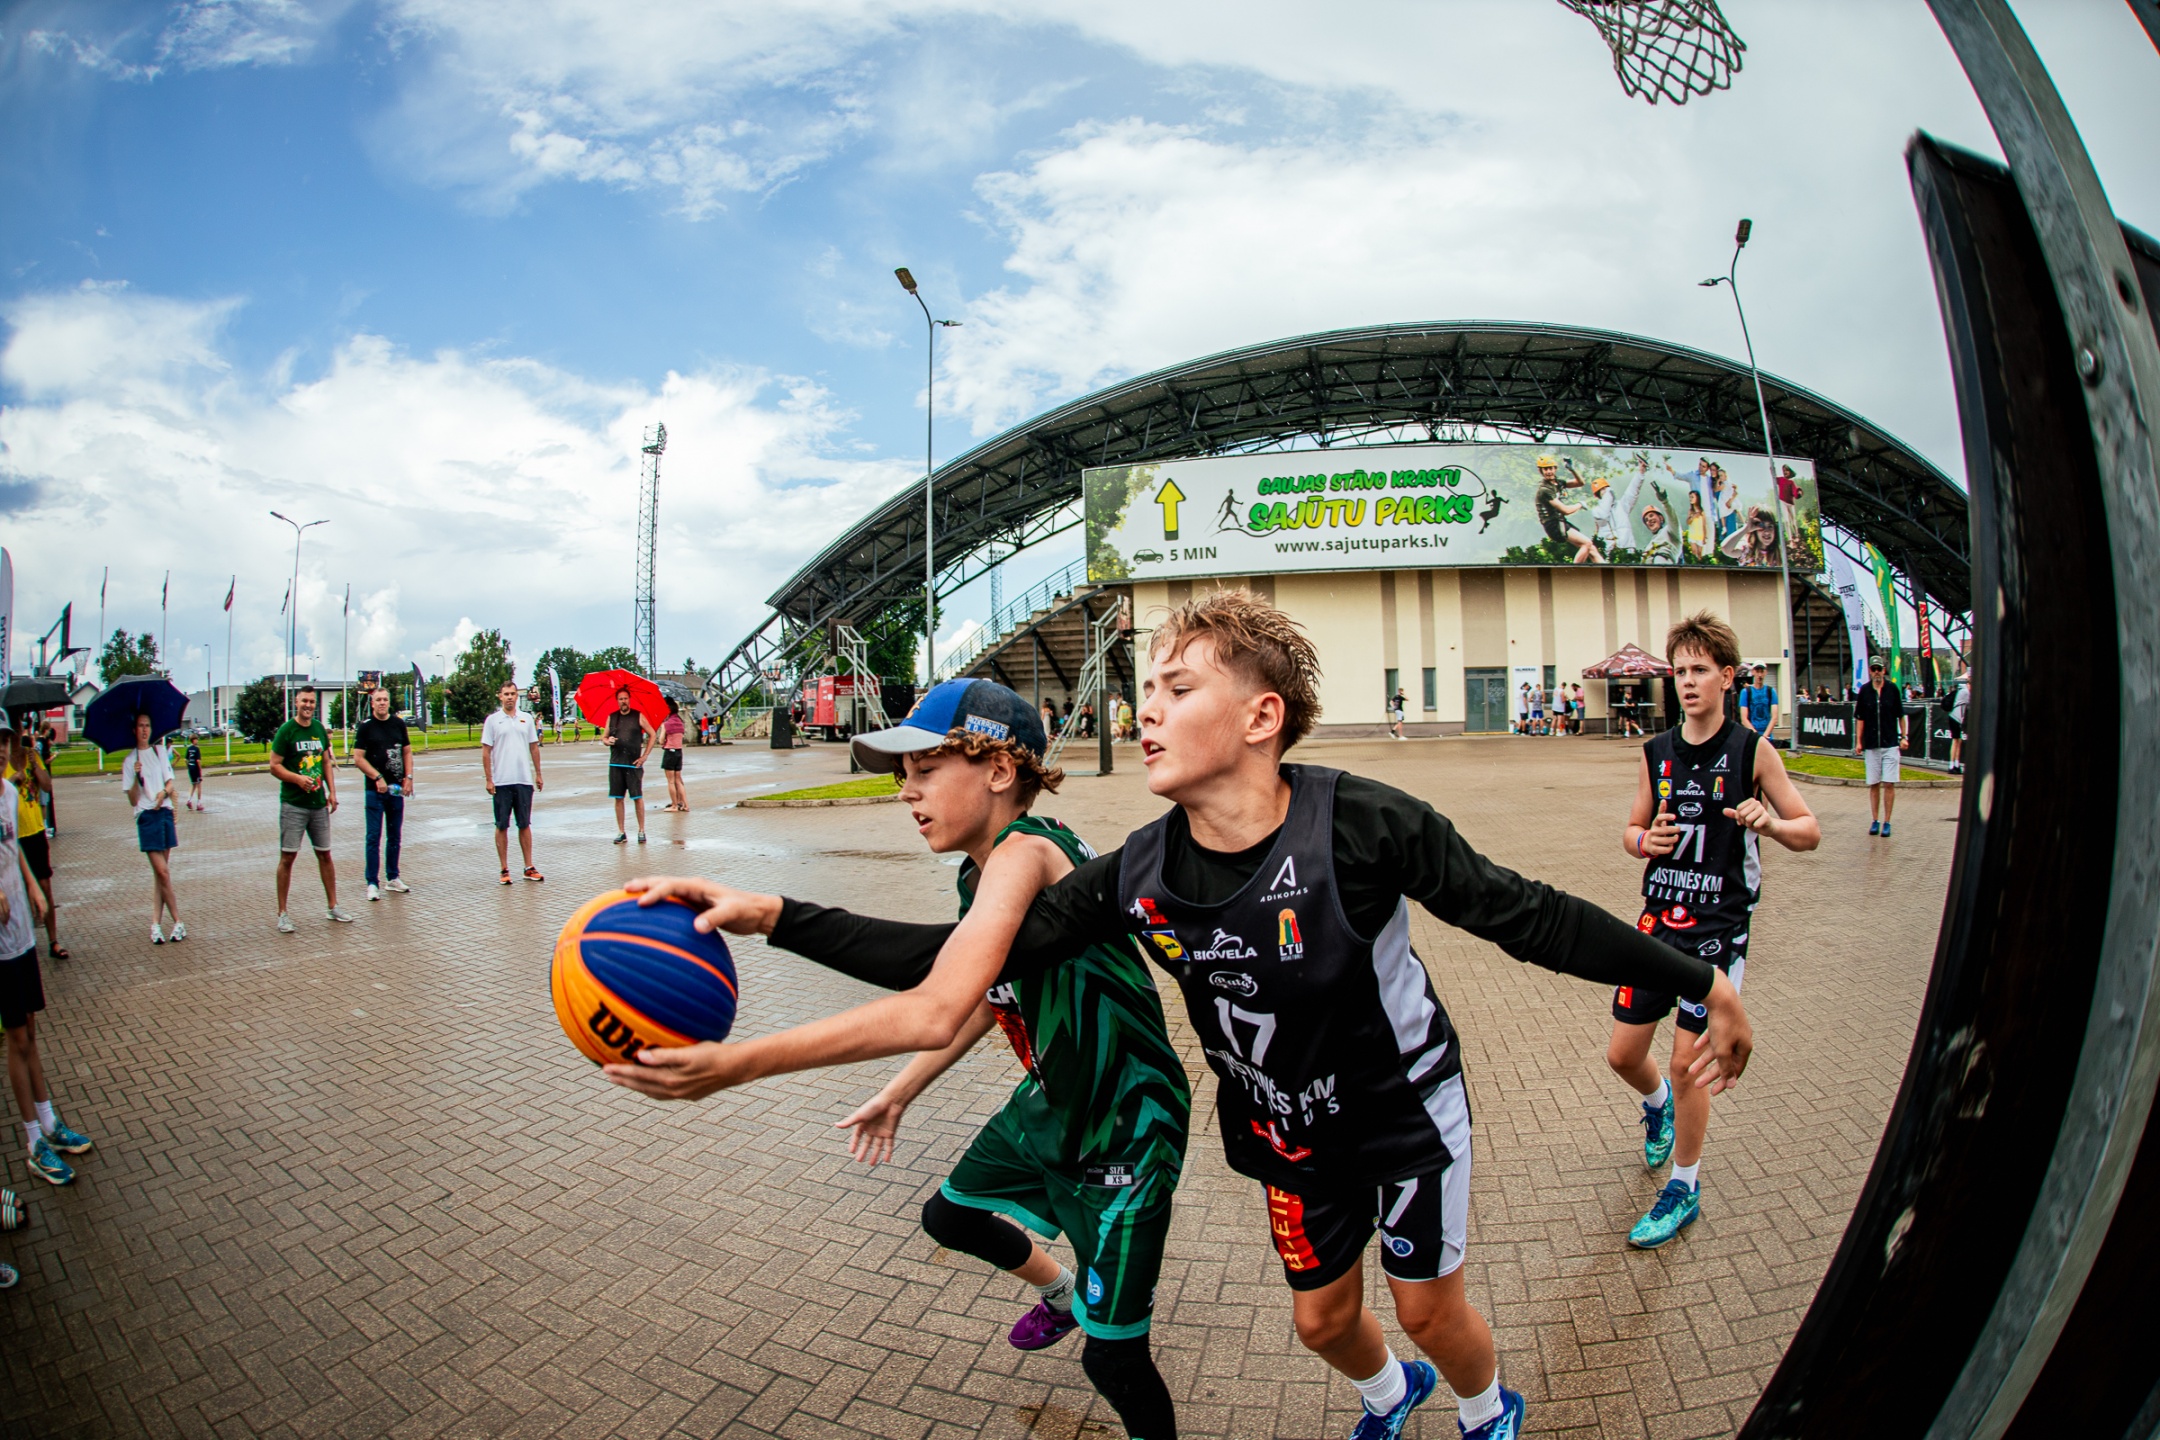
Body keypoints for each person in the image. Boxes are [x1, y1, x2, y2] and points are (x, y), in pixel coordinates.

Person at [606, 589, 1757, 1440]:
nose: (1146, 710)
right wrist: (773, 913)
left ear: (1261, 716)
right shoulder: (1138, 873)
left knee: (1424, 1306)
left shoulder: (1364, 825)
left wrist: (1703, 985)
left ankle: (1484, 1408)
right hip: (1283, 1136)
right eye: (1144, 690)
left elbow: (1532, 918)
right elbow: (945, 965)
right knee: (1322, 1326)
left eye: (1176, 689)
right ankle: (1389, 1397)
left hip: (1404, 1118)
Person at [805, 679, 1188, 1438]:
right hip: (1052, 1100)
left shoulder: (1029, 850)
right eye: (902, 776)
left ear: (1000, 771)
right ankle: (1061, 1293)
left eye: (925, 771)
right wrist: (901, 1090)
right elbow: (985, 996)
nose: (906, 793)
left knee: (1114, 1362)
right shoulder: (976, 875)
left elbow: (938, 997)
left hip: (1127, 1121)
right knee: (950, 1214)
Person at [1609, 613, 1818, 1249]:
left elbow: (1808, 830)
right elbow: (1631, 831)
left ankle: (1685, 1187)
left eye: (1700, 669)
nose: (1688, 681)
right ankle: (1658, 1110)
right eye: (1680, 670)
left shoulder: (1753, 751)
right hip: (1657, 923)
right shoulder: (1656, 753)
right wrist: (1645, 841)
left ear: (1727, 677)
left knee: (1686, 1062)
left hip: (1717, 931)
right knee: (1623, 1055)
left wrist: (1771, 824)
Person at [2, 756, 91, 1190]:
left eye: (5, 742)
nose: (2, 750)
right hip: (0, 942)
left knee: (31, 1031)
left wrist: (33, 886)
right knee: (16, 1038)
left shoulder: (6, 792)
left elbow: (12, 845)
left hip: (19, 930)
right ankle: (34, 1142)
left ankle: (49, 1122)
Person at [270, 687, 350, 932]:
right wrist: (296, 779)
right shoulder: (287, 731)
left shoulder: (318, 729)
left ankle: (333, 906)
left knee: (325, 854)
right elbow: (274, 765)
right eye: (304, 700)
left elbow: (325, 760)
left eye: (312, 702)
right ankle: (283, 913)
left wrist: (332, 791)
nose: (308, 705)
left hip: (318, 804)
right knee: (288, 857)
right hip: (293, 805)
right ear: (296, 702)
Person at [117, 713, 185, 944]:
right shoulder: (129, 761)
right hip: (146, 817)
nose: (144, 730)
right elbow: (132, 800)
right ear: (134, 730)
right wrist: (136, 778)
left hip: (164, 812)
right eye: (140, 726)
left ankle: (155, 923)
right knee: (162, 872)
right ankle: (178, 921)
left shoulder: (159, 752)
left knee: (160, 875)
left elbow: (170, 782)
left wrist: (163, 794)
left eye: (147, 725)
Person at [5, 730, 63, 960]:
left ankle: (53, 941)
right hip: (13, 836)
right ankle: (22, 941)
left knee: (45, 886)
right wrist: (13, 778)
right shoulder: (3, 760)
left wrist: (36, 766)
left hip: (35, 831)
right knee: (16, 891)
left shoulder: (32, 754)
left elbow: (47, 786)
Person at [353, 687, 414, 902]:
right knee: (373, 836)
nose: (381, 703)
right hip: (374, 791)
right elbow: (358, 758)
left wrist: (408, 777)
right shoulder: (366, 727)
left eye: (385, 699)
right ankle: (372, 882)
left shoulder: (398, 724)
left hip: (395, 789)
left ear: (389, 702)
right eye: (378, 700)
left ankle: (393, 877)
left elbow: (407, 751)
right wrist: (376, 777)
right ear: (372, 703)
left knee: (394, 835)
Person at [482, 680, 544, 882]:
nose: (509, 697)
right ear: (500, 696)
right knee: (502, 825)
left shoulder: (526, 719)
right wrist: (489, 779)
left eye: (513, 694)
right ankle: (504, 869)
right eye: (506, 694)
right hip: (502, 781)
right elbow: (486, 751)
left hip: (523, 780)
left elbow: (534, 747)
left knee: (524, 824)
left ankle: (528, 866)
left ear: (517, 696)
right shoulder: (493, 721)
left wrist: (538, 774)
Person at [1852, 658, 1908, 837]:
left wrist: (1903, 736)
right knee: (1874, 783)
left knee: (1889, 783)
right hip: (1871, 745)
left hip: (1890, 743)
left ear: (1884, 670)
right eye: (1874, 668)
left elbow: (1901, 715)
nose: (1876, 672)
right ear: (1870, 670)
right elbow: (1860, 719)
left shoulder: (1892, 689)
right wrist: (1859, 741)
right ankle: (1875, 819)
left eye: (1879, 669)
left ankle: (1887, 821)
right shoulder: (1864, 691)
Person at [605, 687, 654, 845]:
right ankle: (621, 832)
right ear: (617, 701)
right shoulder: (612, 717)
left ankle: (641, 830)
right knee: (618, 798)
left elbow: (652, 734)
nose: (623, 701)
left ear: (629, 699)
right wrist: (608, 741)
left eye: (625, 698)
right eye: (621, 699)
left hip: (633, 765)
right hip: (616, 764)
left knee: (637, 798)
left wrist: (644, 756)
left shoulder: (638, 716)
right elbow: (604, 737)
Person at [1532, 455, 1601, 564]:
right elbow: (1566, 510)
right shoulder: (1545, 490)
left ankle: (1607, 570)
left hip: (1560, 521)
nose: (1548, 471)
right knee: (1586, 543)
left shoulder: (1557, 483)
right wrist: (1580, 504)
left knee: (1591, 548)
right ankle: (1574, 571)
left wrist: (1572, 469)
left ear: (1555, 469)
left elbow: (1580, 483)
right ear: (1541, 471)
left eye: (1550, 468)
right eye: (1545, 469)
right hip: (1553, 524)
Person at [658, 698, 689, 813]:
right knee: (678, 780)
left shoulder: (667, 724)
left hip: (669, 752)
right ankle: (685, 805)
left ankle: (674, 805)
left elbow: (661, 741)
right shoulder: (680, 723)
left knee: (671, 781)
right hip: (679, 752)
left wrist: (663, 729)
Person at [1737, 664, 1780, 746]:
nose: (1759, 675)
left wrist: (1765, 736)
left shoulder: (1771, 691)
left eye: (1762, 672)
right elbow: (1744, 719)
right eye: (1757, 671)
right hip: (1751, 737)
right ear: (1753, 672)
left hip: (1767, 737)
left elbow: (1774, 717)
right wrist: (1756, 736)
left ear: (1765, 673)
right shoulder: (1746, 692)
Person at [1947, 661, 1970, 775]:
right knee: (1956, 740)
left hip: (1956, 718)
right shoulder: (1965, 692)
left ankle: (1956, 763)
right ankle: (1952, 764)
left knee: (1958, 741)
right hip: (1955, 718)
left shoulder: (1962, 690)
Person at [184, 735, 204, 810]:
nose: (197, 741)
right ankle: (199, 803)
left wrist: (188, 766)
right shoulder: (197, 749)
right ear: (194, 740)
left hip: (191, 768)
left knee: (193, 784)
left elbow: (185, 759)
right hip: (196, 768)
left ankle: (189, 800)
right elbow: (198, 760)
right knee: (199, 785)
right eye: (196, 739)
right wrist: (200, 769)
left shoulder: (189, 749)